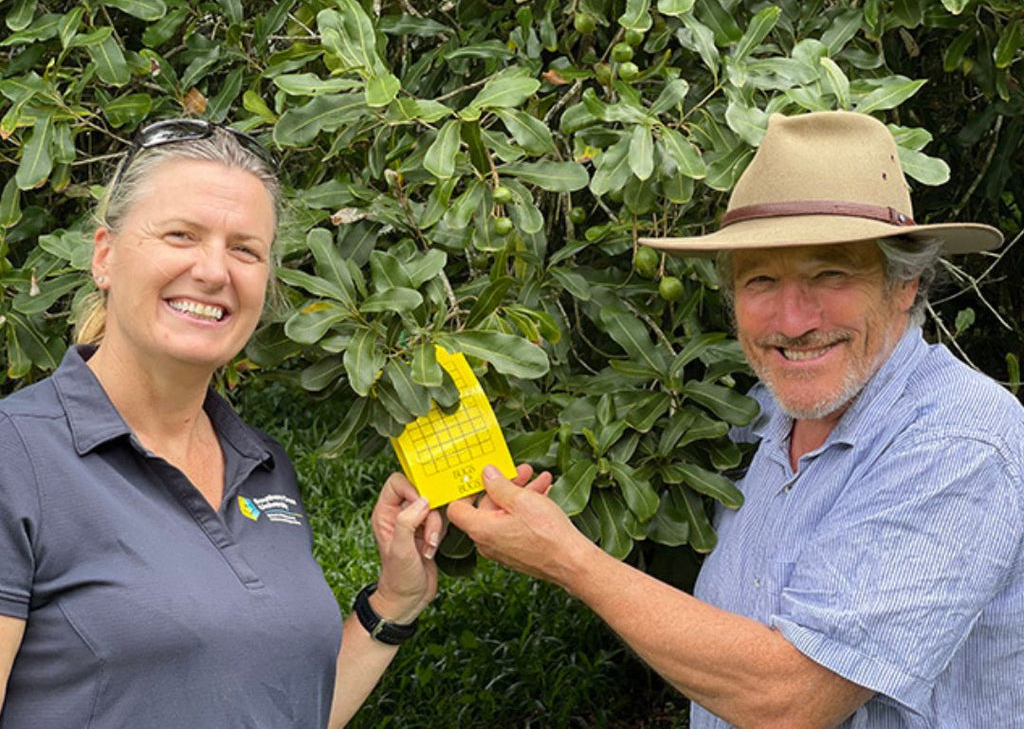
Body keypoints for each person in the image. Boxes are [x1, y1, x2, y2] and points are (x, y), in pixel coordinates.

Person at [448, 111, 1024, 727]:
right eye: (761, 280)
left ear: (904, 285)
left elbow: (789, 698)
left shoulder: (959, 441)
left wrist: (567, 558)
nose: (793, 318)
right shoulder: (765, 413)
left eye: (831, 273)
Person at [0, 119, 444, 728]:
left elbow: (282, 708)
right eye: (181, 235)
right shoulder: (15, 457)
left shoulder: (264, 467)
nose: (214, 271)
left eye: (245, 249)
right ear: (105, 256)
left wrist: (394, 600)